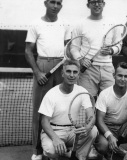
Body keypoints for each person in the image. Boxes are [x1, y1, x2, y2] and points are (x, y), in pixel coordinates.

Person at [25, 0, 71, 160]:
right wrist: (37, 73)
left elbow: (68, 49)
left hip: (62, 66)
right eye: (52, 2)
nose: (55, 6)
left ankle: (59, 144)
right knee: (40, 111)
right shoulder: (35, 24)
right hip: (43, 65)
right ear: (45, 3)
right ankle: (37, 151)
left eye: (59, 3)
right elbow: (28, 51)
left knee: (61, 107)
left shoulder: (65, 24)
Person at [38, 60, 98, 160]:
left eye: (75, 72)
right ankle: (64, 151)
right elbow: (44, 121)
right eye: (68, 71)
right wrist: (55, 139)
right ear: (62, 73)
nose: (71, 75)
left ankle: (80, 156)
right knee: (51, 151)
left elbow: (91, 115)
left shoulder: (82, 91)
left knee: (93, 130)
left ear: (78, 75)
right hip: (54, 131)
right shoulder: (51, 94)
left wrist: (88, 126)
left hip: (72, 131)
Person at [70, 0, 122, 100]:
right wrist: (80, 59)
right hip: (87, 70)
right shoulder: (80, 24)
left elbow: (119, 45)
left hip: (107, 69)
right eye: (93, 2)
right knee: (89, 103)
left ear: (104, 4)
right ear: (88, 5)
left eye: (99, 1)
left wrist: (111, 51)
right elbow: (74, 47)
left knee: (108, 102)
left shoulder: (113, 23)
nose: (97, 4)